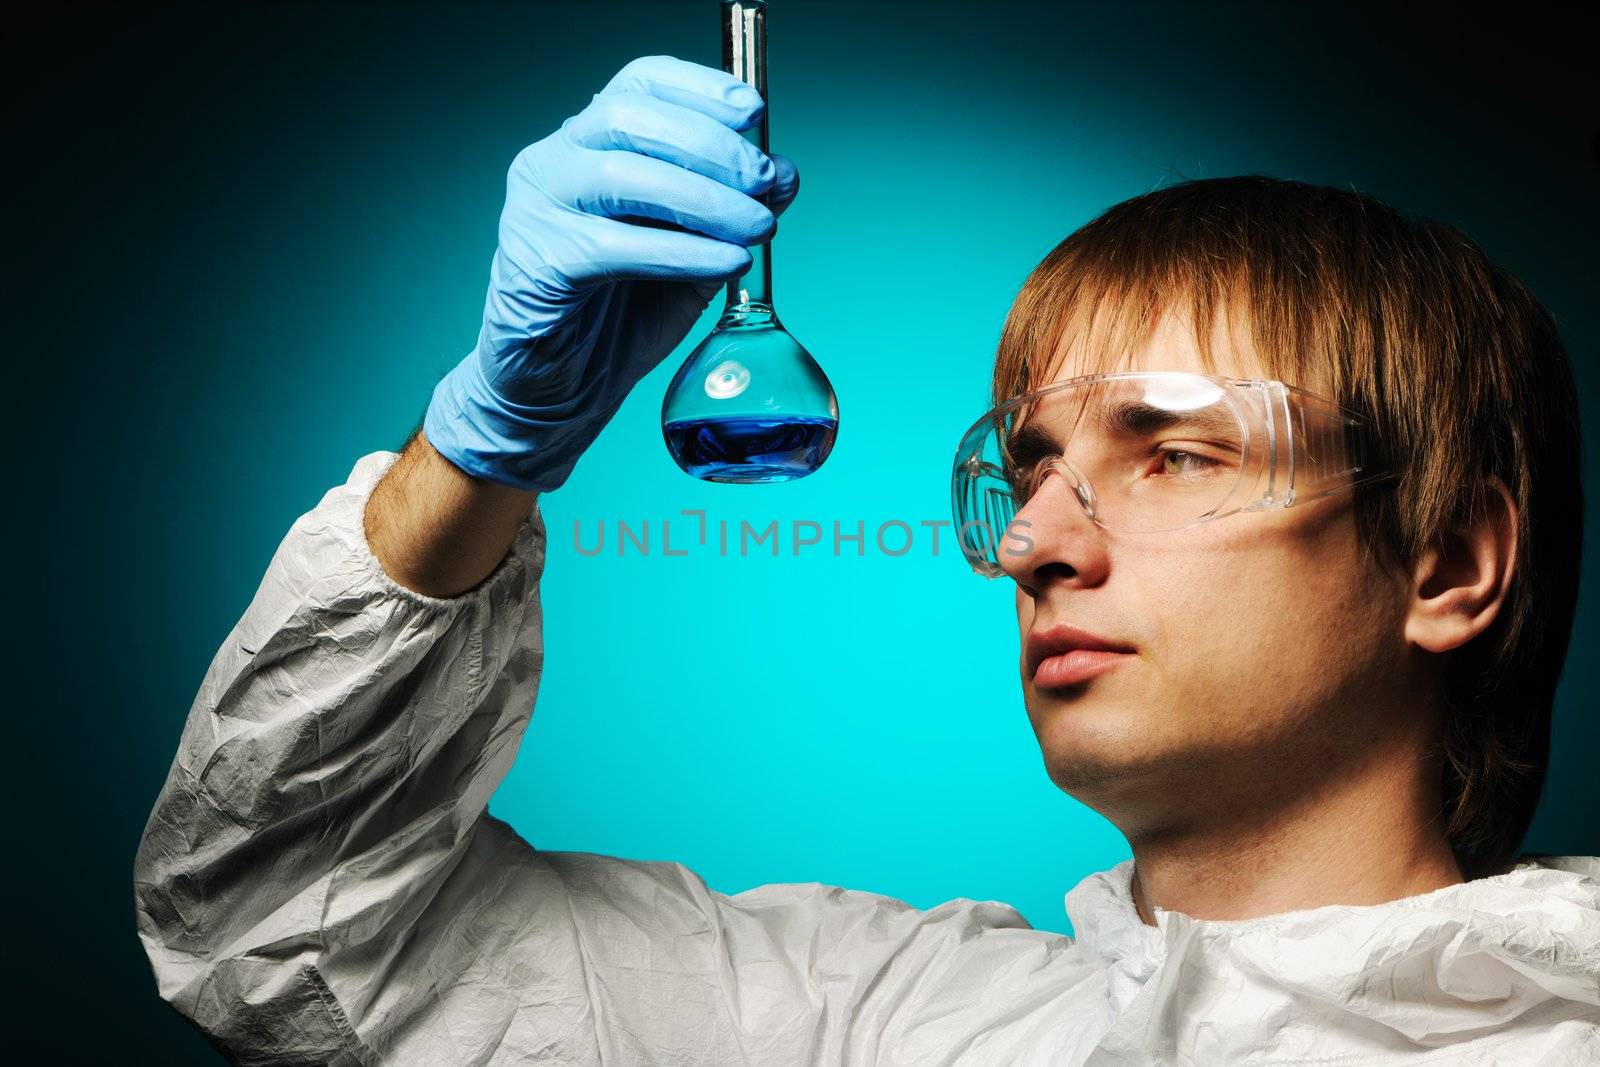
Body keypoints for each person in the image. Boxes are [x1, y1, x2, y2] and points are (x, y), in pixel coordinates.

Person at [134, 54, 1598, 1064]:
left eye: (1174, 453)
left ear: (1447, 567)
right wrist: (488, 445)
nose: (1029, 544)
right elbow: (284, 930)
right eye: (1027, 470)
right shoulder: (884, 1024)